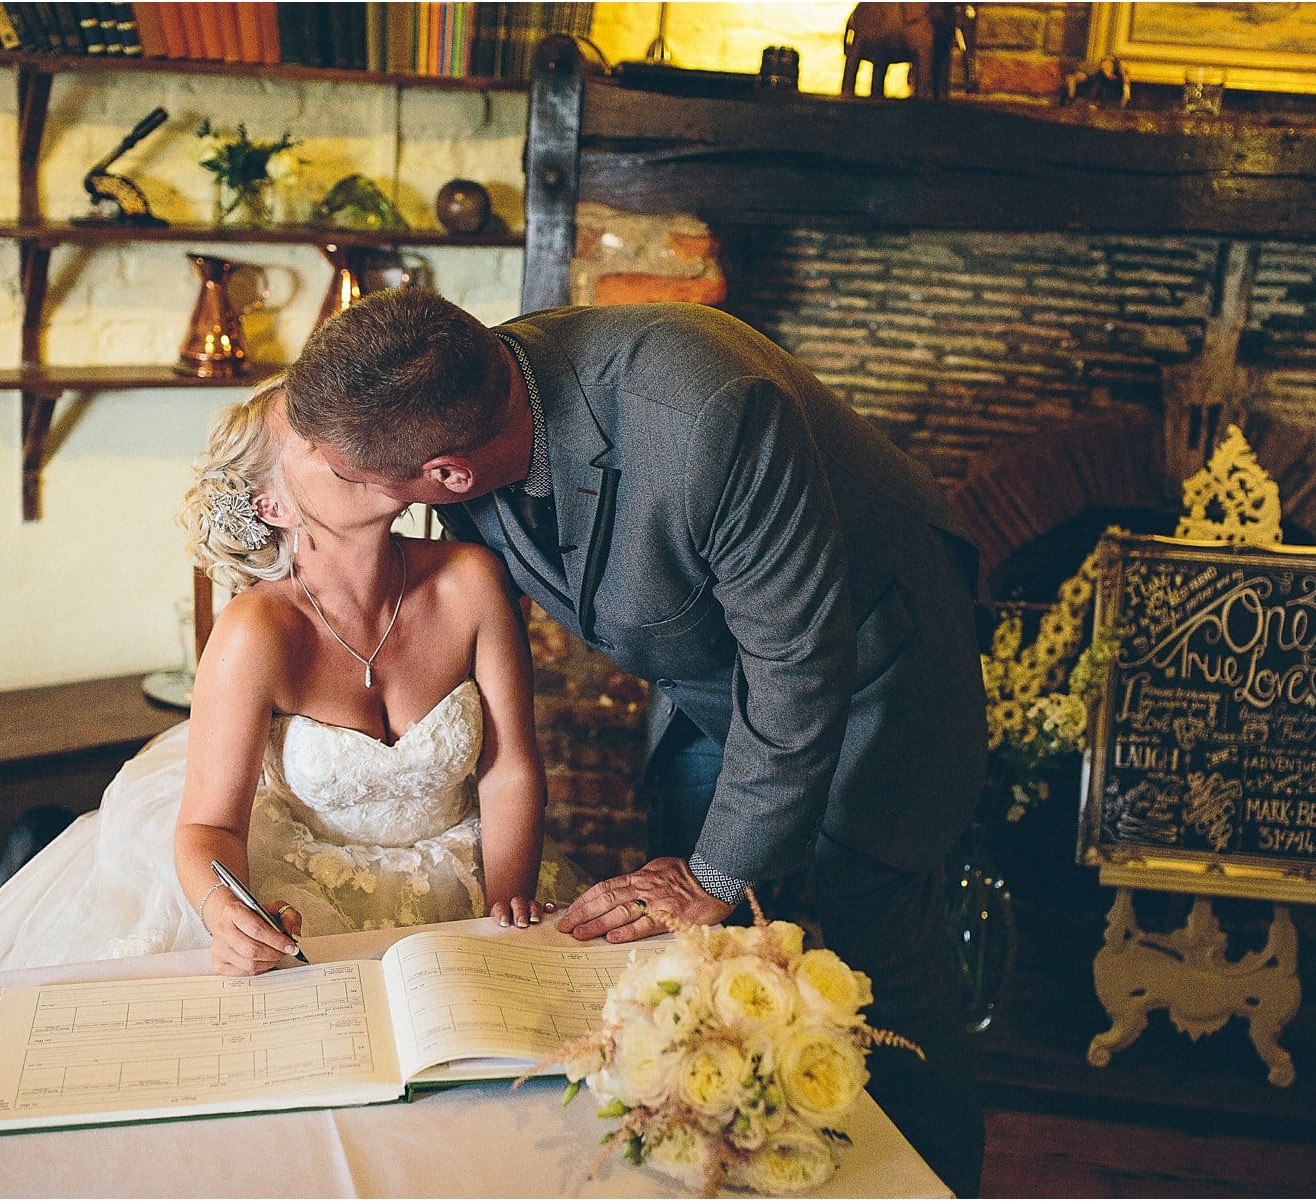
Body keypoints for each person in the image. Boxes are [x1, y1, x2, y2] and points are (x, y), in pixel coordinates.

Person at [0, 378, 582, 1197]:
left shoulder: (472, 579)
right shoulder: (256, 632)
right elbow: (206, 827)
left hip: (476, 870)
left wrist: (509, 903)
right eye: (317, 437)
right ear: (271, 503)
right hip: (307, 885)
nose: (353, 438)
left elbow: (509, 765)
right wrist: (223, 912)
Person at [286, 292, 989, 1195]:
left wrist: (714, 872)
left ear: (451, 475)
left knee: (874, 972)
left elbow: (798, 661)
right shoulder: (466, 401)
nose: (345, 493)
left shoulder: (709, 414)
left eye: (361, 483)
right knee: (701, 976)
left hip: (875, 675)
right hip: (709, 683)